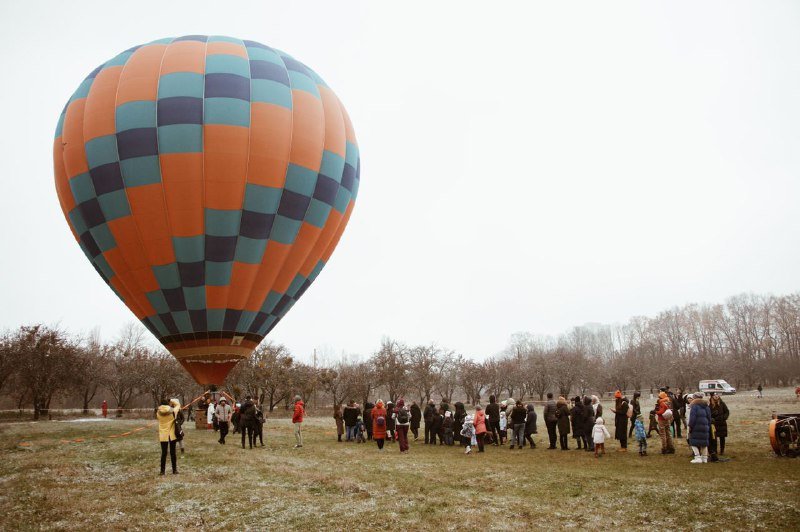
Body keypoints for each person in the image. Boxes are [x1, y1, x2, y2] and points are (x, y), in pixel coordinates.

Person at [157, 398, 179, 475]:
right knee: (173, 453)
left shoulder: (158, 412)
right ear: (168, 404)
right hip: (171, 435)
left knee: (163, 453)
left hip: (163, 435)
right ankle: (174, 470)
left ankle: (162, 471)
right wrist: (171, 400)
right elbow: (178, 405)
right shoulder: (173, 411)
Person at [688, 391, 712, 463]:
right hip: (705, 426)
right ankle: (704, 458)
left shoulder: (694, 406)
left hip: (696, 426)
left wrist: (690, 426)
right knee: (704, 443)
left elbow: (692, 418)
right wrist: (708, 425)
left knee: (693, 442)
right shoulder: (706, 406)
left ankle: (697, 457)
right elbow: (709, 417)